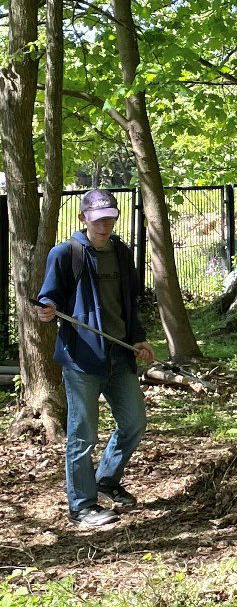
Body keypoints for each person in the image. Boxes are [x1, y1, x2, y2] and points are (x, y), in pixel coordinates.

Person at [35, 189, 155, 527]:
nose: (105, 225)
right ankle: (82, 507)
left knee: (134, 423)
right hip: (82, 360)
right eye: (98, 218)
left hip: (120, 353)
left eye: (110, 218)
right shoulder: (65, 253)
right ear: (83, 218)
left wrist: (139, 338)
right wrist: (48, 311)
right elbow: (49, 297)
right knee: (82, 434)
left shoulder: (120, 252)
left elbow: (129, 302)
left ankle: (106, 480)